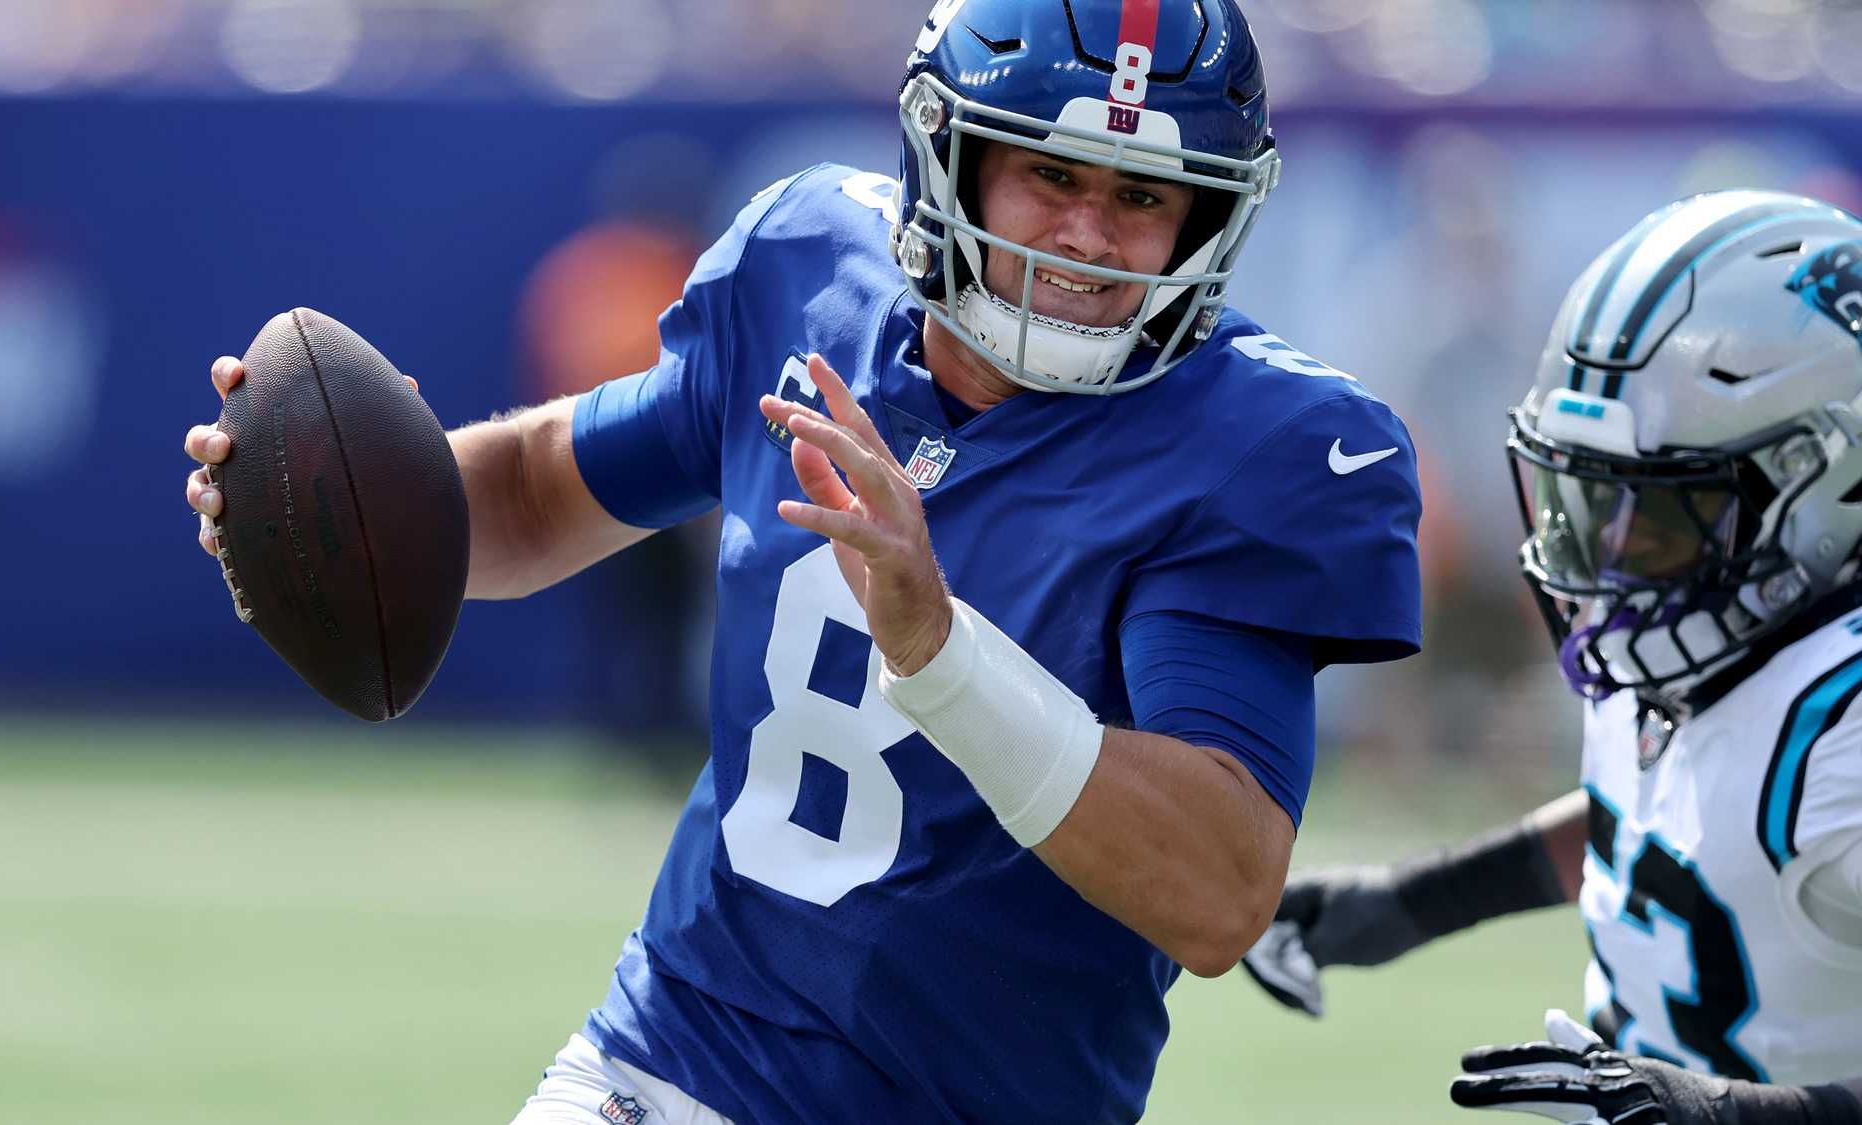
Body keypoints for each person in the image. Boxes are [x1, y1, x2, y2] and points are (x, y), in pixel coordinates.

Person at [184, 1, 1422, 1121]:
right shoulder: (811, 267)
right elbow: (537, 490)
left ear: (1208, 213)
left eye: (1143, 196)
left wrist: (940, 655)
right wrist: (363, 500)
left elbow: (1215, 894)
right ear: (950, 154)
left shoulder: (1253, 446)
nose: (1087, 237)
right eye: (1050, 173)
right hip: (668, 1064)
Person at [1241, 190, 1862, 1124]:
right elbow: (1679, 830)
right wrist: (1416, 899)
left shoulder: (1841, 723)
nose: (1604, 560)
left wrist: (1734, 1114)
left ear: (1819, 486)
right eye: (1588, 502)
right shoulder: (1701, 633)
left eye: (1659, 513)